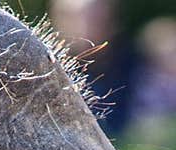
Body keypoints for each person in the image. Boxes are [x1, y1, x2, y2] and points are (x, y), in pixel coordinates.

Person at [48, 0, 140, 135]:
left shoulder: (133, 63)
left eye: (95, 18)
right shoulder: (49, 70)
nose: (85, 26)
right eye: (76, 18)